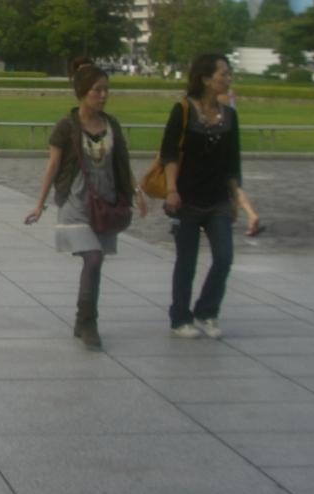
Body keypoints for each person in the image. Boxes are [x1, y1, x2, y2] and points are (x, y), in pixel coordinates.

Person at [25, 60, 146, 349]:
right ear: (82, 91)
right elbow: (53, 165)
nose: (103, 96)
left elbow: (122, 162)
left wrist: (136, 190)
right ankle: (88, 321)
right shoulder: (67, 126)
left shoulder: (111, 125)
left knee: (96, 262)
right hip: (76, 201)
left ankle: (83, 321)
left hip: (105, 201)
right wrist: (40, 204)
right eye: (97, 90)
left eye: (106, 90)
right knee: (92, 258)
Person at [162, 53, 251, 340]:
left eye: (228, 73)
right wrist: (171, 190)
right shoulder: (183, 110)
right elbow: (169, 154)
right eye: (223, 73)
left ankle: (207, 311)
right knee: (186, 262)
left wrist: (235, 199)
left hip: (218, 200)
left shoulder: (230, 116)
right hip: (187, 199)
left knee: (224, 257)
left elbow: (232, 163)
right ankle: (180, 317)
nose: (228, 78)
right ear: (206, 79)